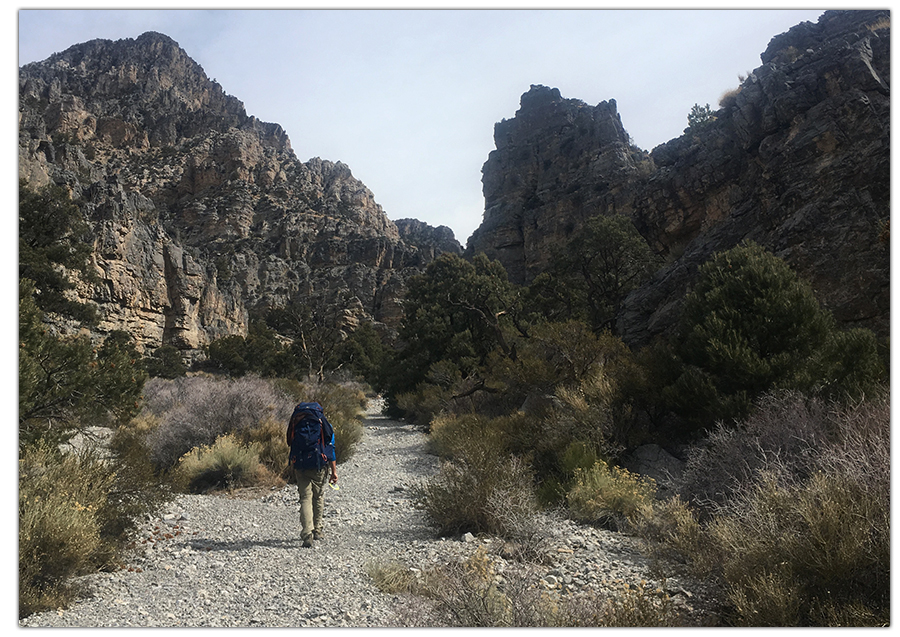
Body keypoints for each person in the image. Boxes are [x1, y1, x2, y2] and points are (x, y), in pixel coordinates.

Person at [286, 402, 338, 548]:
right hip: (318, 465)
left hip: (300, 464)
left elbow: (289, 441)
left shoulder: (296, 421)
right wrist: (334, 472)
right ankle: (318, 530)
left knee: (305, 498)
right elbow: (331, 448)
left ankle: (307, 533)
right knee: (318, 496)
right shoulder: (323, 423)